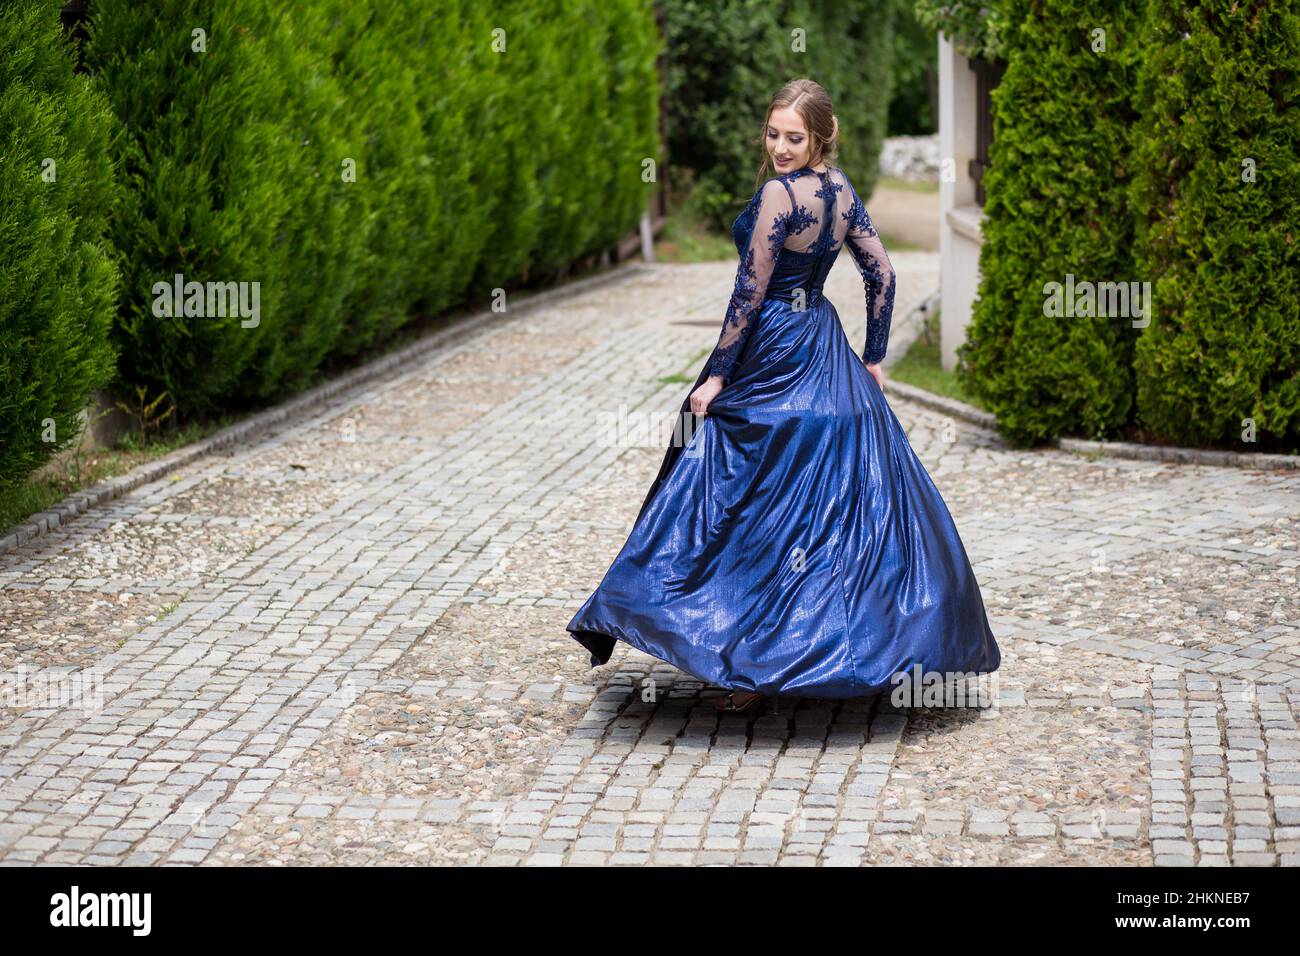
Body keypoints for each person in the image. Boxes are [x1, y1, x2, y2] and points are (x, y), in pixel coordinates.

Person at [567, 78, 1000, 713]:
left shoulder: (778, 196)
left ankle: (746, 663)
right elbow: (881, 272)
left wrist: (716, 375)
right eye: (773, 134)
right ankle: (819, 654)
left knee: (738, 490)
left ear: (820, 137)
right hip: (822, 343)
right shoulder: (843, 191)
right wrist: (872, 357)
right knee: (819, 506)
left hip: (772, 345)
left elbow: (750, 292)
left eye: (793, 137)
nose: (779, 147)